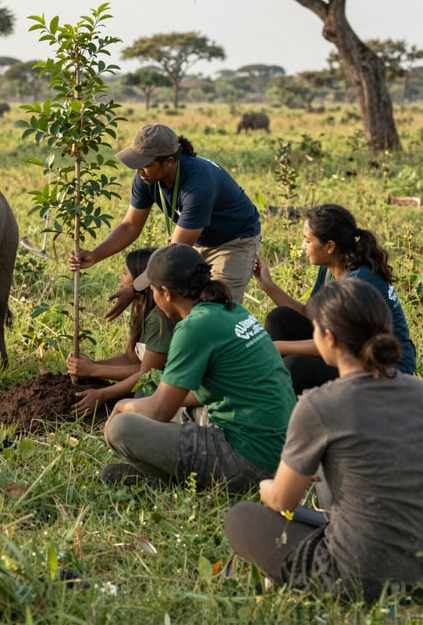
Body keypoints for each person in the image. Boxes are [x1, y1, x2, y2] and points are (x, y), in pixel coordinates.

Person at [224, 278, 423, 602]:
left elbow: (282, 501)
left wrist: (266, 488)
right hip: (418, 564)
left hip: (357, 575)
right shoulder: (418, 389)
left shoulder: (319, 404)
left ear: (327, 337)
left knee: (241, 517)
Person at [102, 244, 295, 493]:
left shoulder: (193, 327)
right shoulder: (231, 309)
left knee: (123, 428)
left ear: (167, 294)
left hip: (251, 461)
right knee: (149, 392)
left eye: (152, 289)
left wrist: (120, 405)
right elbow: (194, 393)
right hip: (283, 451)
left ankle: (167, 479)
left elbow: (160, 410)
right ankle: (166, 469)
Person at [69, 123, 261, 314]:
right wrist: (95, 255)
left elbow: (172, 257)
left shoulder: (198, 186)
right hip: (196, 238)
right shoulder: (146, 177)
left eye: (145, 164)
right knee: (180, 301)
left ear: (169, 161)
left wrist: (135, 289)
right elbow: (130, 226)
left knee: (219, 312)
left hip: (233, 241)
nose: (138, 170)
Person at [254, 203, 416, 395]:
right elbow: (310, 314)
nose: (303, 246)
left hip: (386, 368)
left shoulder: (357, 282)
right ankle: (275, 396)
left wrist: (277, 347)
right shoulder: (332, 266)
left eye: (307, 240)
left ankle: (295, 414)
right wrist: (268, 286)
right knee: (279, 318)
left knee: (295, 366)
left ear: (330, 246)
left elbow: (337, 341)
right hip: (355, 352)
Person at [66, 248, 174, 415]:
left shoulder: (158, 319)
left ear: (140, 281)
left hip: (169, 384)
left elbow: (148, 374)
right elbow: (130, 358)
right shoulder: (140, 310)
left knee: (142, 395)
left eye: (125, 272)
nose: (120, 277)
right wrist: (90, 365)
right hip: (151, 377)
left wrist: (96, 378)